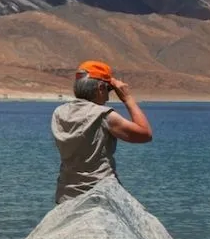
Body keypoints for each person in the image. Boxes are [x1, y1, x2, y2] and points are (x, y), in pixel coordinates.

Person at [51, 60, 153, 204]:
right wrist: (127, 98)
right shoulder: (103, 115)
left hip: (66, 194)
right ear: (100, 88)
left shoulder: (59, 113)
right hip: (99, 192)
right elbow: (145, 134)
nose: (108, 96)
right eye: (109, 90)